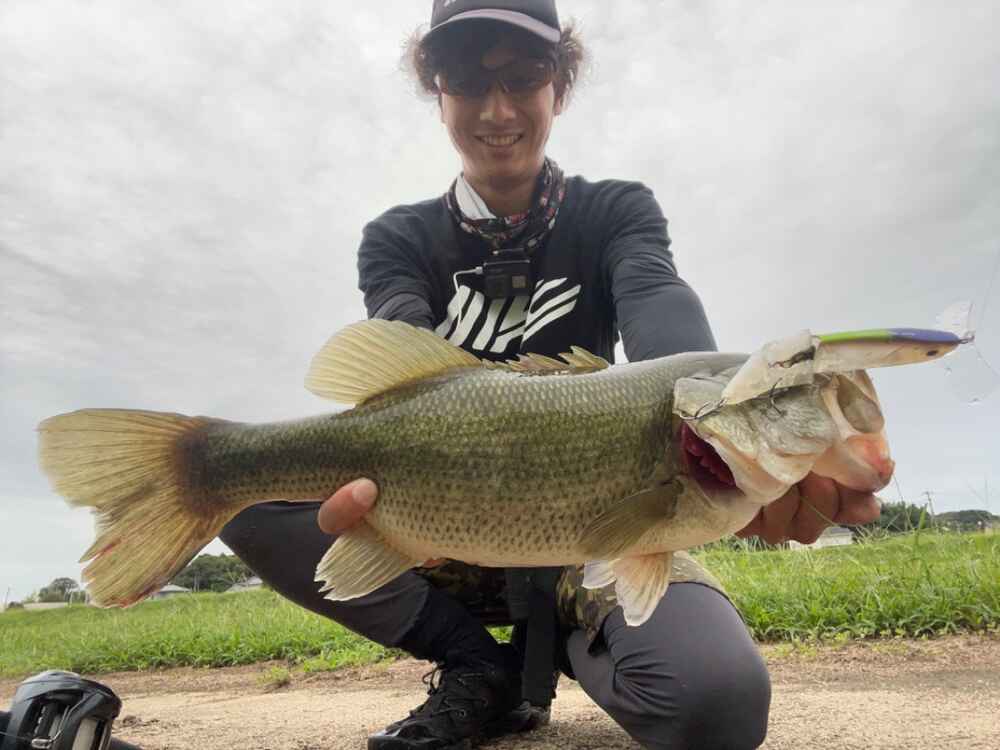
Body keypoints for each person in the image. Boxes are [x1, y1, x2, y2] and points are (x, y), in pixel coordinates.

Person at [221, 2, 881, 748]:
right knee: (236, 486)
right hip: (439, 523)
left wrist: (714, 435)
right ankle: (478, 665)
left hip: (600, 534)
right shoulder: (396, 237)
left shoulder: (615, 211)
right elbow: (401, 350)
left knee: (715, 704)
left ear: (559, 86)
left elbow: (657, 297)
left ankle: (569, 635)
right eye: (466, 78)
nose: (497, 109)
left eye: (525, 74)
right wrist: (397, 502)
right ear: (437, 92)